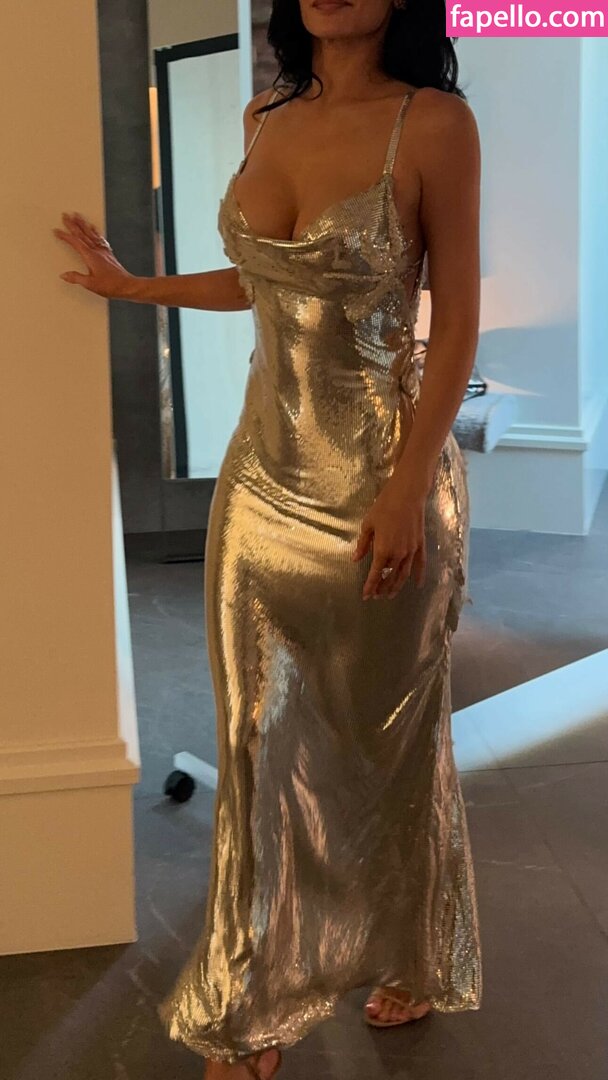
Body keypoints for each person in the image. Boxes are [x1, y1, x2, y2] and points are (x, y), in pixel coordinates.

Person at [53, 1, 482, 1076]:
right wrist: (130, 285)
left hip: (383, 484)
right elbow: (259, 284)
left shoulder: (433, 123)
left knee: (383, 734)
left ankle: (406, 947)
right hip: (261, 483)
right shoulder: (266, 114)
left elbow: (456, 326)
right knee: (253, 744)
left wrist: (406, 488)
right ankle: (253, 1001)